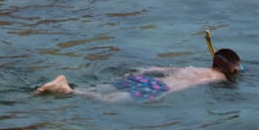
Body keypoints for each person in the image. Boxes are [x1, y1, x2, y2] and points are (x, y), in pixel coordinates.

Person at [35, 49, 241, 100]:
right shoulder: (219, 78)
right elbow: (184, 86)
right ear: (232, 70)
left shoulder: (196, 68)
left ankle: (72, 87)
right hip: (159, 88)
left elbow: (165, 69)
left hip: (149, 79)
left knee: (103, 88)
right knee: (108, 101)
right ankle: (68, 90)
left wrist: (144, 70)